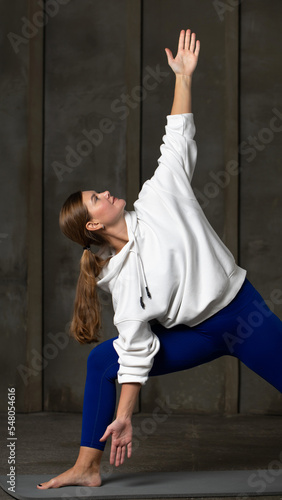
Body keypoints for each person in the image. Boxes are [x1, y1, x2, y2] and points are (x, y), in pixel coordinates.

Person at [37, 29, 282, 490]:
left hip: (243, 314)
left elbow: (177, 136)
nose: (107, 192)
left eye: (99, 190)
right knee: (102, 363)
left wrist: (183, 77)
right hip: (198, 335)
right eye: (97, 198)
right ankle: (88, 465)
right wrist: (126, 417)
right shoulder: (119, 279)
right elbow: (134, 352)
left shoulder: (159, 197)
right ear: (93, 226)